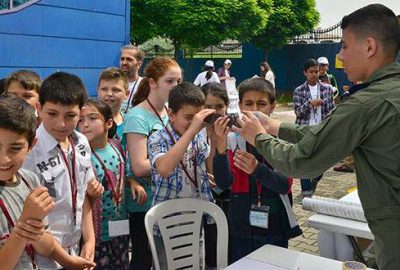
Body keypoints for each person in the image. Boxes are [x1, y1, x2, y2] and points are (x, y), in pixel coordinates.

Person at [234, 4, 400, 270]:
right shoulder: (389, 91)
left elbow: (303, 162)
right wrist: (275, 126)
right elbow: (325, 135)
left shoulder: (365, 104)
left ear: (369, 47)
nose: (340, 56)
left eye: (344, 46)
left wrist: (259, 138)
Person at [0, 94, 95, 270]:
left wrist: (68, 261)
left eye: (15, 148)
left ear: (31, 145)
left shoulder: (30, 180)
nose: (4, 159)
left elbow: (42, 239)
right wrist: (24, 225)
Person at [213, 78, 301, 263]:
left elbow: (284, 184)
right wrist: (220, 150)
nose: (254, 110)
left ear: (272, 106)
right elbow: (223, 183)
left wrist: (256, 169)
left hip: (275, 224)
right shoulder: (233, 139)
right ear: (240, 106)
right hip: (241, 225)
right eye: (249, 103)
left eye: (261, 104)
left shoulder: (281, 140)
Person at [22, 72, 104, 270]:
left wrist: (90, 241)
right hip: (41, 259)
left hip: (75, 249)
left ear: (80, 112)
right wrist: (65, 260)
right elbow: (28, 221)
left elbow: (82, 195)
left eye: (70, 116)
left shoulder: (82, 142)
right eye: (52, 113)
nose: (61, 124)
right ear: (39, 109)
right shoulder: (28, 151)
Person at [147, 82, 215, 270]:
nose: (195, 123)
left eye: (198, 118)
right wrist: (193, 129)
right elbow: (165, 168)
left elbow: (208, 167)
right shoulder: (157, 138)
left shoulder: (199, 136)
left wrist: (215, 136)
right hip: (166, 223)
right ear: (171, 114)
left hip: (194, 219)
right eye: (188, 117)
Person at [123, 56, 182, 270]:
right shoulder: (138, 116)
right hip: (145, 203)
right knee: (143, 259)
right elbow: (138, 166)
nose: (175, 86)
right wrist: (177, 158)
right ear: (152, 83)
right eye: (169, 81)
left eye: (178, 81)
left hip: (169, 198)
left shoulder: (170, 112)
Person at [78, 99, 129, 269]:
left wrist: (133, 183)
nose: (85, 124)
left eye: (92, 118)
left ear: (108, 123)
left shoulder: (116, 146)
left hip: (120, 226)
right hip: (97, 233)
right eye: (80, 119)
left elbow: (120, 174)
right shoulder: (81, 157)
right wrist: (90, 195)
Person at [293, 58, 335, 197]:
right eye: (311, 72)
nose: (314, 74)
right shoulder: (299, 90)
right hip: (304, 130)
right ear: (305, 72)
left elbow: (332, 111)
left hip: (322, 129)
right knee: (303, 159)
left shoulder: (327, 89)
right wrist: (310, 104)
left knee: (322, 160)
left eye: (316, 71)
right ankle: (306, 191)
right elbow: (298, 112)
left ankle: (315, 180)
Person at [97, 67, 130, 140]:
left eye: (116, 90)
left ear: (126, 94)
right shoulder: (85, 122)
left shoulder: (131, 123)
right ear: (98, 91)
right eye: (104, 89)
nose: (109, 94)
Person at [120, 44, 145, 112]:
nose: (124, 62)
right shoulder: (113, 82)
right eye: (122, 59)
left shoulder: (145, 86)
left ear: (139, 64)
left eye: (129, 59)